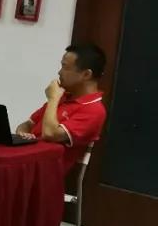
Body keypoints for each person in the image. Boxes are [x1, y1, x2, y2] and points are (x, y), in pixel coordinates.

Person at [16, 43, 107, 174]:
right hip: (25, 159)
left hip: (45, 173)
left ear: (86, 74)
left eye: (65, 67)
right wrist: (22, 134)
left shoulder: (94, 110)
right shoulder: (63, 97)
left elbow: (50, 134)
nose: (59, 72)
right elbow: (27, 124)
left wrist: (53, 99)